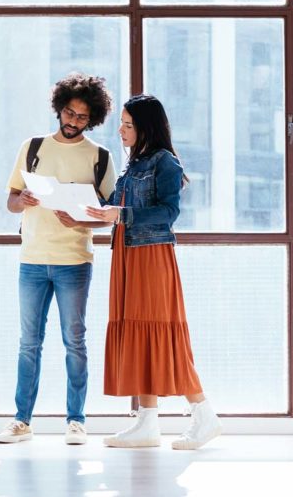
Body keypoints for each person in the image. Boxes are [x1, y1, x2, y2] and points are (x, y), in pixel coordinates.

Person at [85, 94, 222, 450]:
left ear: (146, 127)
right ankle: (147, 422)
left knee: (164, 336)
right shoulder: (133, 164)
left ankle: (204, 414)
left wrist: (121, 215)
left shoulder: (166, 163)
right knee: (139, 334)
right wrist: (80, 214)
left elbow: (167, 213)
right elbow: (113, 208)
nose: (121, 130)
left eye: (128, 125)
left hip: (152, 257)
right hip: (128, 255)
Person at [0, 73, 116, 446]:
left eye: (81, 117)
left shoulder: (99, 157)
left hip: (75, 260)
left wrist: (79, 217)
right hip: (32, 258)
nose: (73, 121)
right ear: (59, 108)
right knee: (29, 342)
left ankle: (76, 420)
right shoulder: (32, 147)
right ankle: (21, 420)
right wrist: (24, 202)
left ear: (91, 119)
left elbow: (110, 212)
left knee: (74, 341)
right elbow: (11, 200)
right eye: (68, 113)